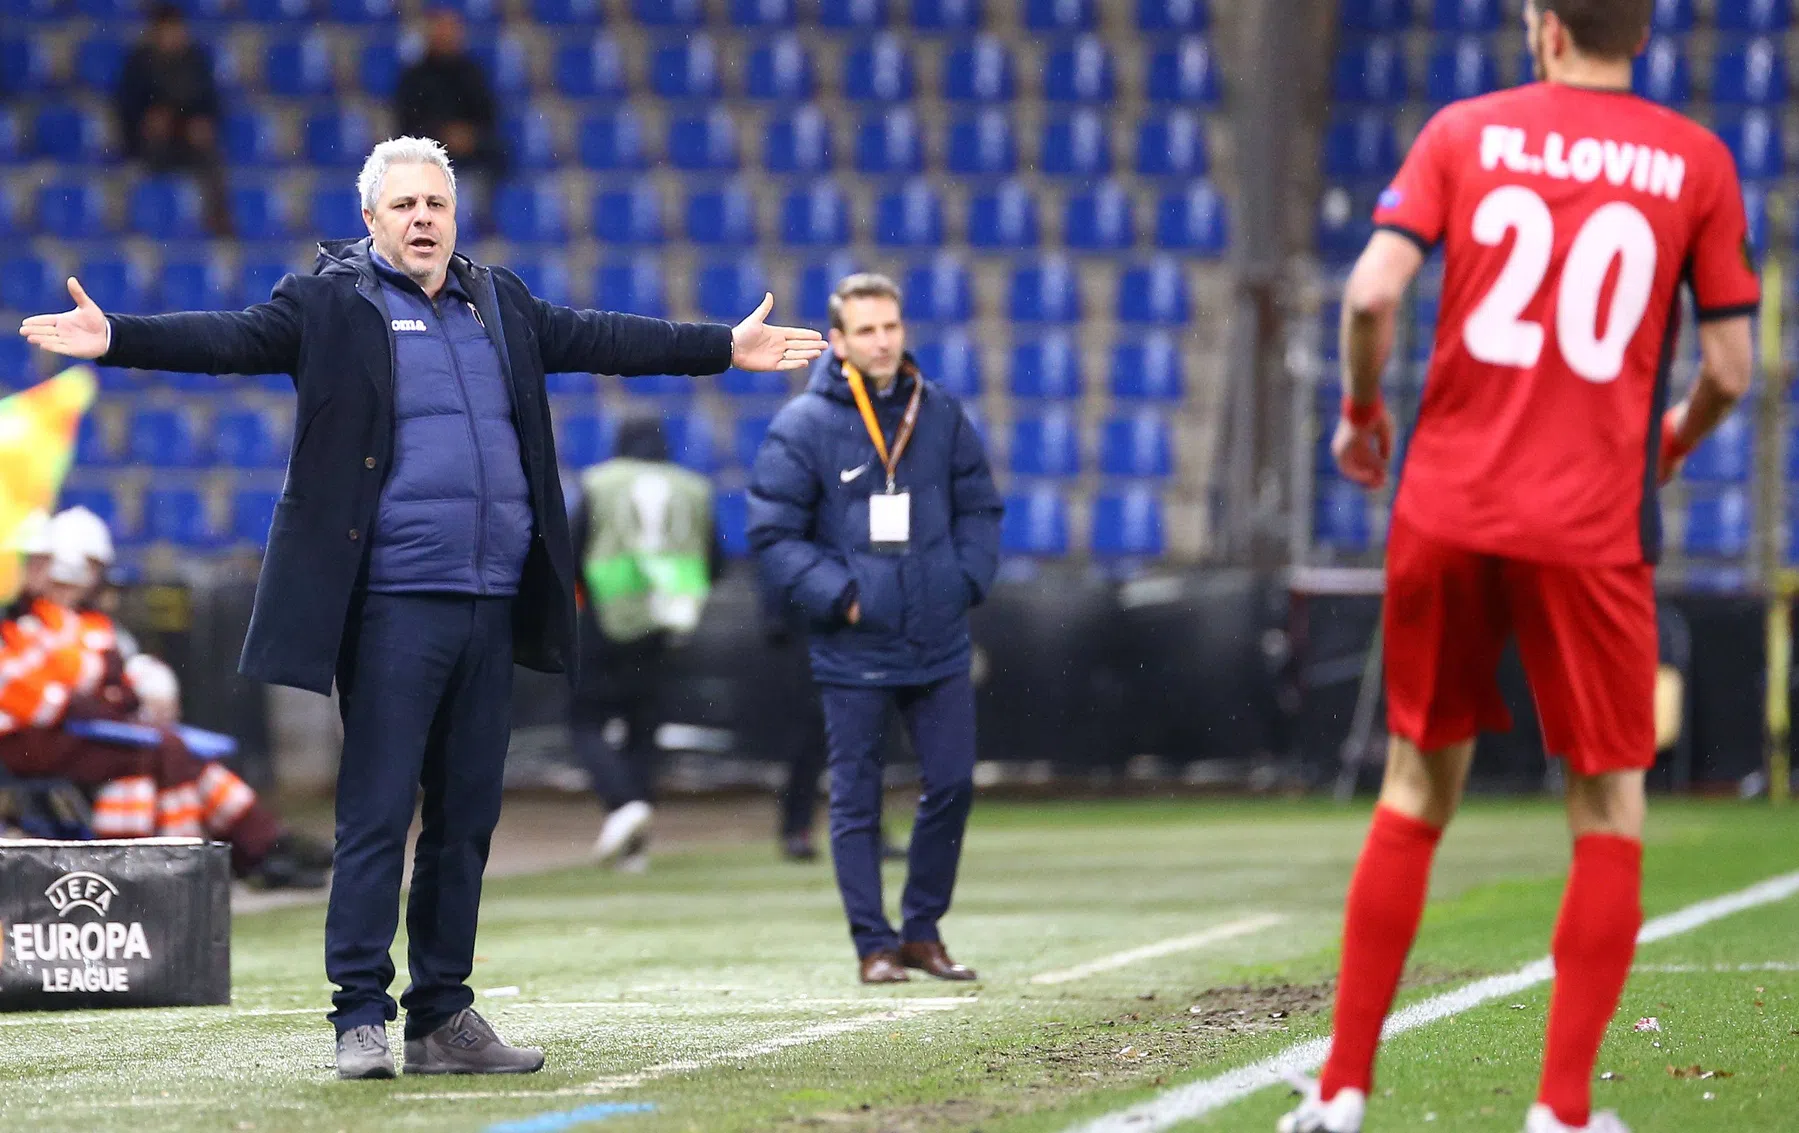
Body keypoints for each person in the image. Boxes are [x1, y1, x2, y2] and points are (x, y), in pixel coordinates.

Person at [18, 136, 824, 1080]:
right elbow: (228, 339)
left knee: (465, 820)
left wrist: (722, 347)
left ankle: (443, 1014)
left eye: (434, 204)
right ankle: (359, 1011)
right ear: (370, 219)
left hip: (493, 600)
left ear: (454, 215)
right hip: (392, 606)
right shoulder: (326, 302)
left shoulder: (501, 303)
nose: (421, 219)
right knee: (373, 813)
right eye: (402, 206)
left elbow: (607, 338)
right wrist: (119, 336)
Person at [1280, 3, 1758, 1132]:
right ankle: (1557, 1110)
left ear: (1543, 29)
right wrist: (1666, 445)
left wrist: (1356, 415)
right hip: (1591, 524)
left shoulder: (1461, 131)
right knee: (1606, 803)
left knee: (1412, 787)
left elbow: (1369, 292)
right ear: (1636, 36)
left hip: (1447, 508)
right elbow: (1731, 367)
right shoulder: (1693, 159)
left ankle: (1342, 1089)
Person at [748, 273, 1001, 985]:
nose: (882, 341)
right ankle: (873, 944)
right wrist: (845, 596)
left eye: (890, 326)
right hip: (852, 645)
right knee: (855, 798)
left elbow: (980, 507)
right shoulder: (803, 425)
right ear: (839, 341)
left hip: (938, 636)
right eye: (866, 330)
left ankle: (922, 930)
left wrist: (965, 580)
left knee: (951, 783)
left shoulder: (939, 412)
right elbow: (772, 535)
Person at [0, 534, 323, 887]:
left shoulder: (72, 622)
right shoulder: (20, 627)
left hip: (73, 730)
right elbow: (51, 701)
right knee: (164, 753)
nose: (65, 586)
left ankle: (205, 857)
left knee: (168, 757)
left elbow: (99, 682)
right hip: (30, 740)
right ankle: (191, 860)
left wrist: (117, 694)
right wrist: (108, 697)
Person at [570, 415, 719, 872]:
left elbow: (574, 549)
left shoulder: (599, 482)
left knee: (584, 720)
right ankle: (635, 846)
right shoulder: (694, 488)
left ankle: (621, 805)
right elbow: (714, 560)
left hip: (605, 613)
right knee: (644, 727)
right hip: (665, 620)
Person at [115, 2, 233, 237]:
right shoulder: (140, 63)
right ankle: (141, 223)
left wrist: (201, 123)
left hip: (189, 140)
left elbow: (211, 103)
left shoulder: (196, 61)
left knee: (213, 163)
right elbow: (126, 105)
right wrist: (146, 121)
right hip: (151, 143)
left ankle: (218, 221)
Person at [395, 10, 505, 201]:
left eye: (451, 30)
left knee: (499, 154)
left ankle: (487, 217)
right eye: (441, 29)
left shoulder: (473, 73)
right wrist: (442, 136)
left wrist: (469, 136)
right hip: (428, 148)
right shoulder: (414, 77)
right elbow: (406, 122)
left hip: (472, 150)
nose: (446, 35)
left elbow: (488, 116)